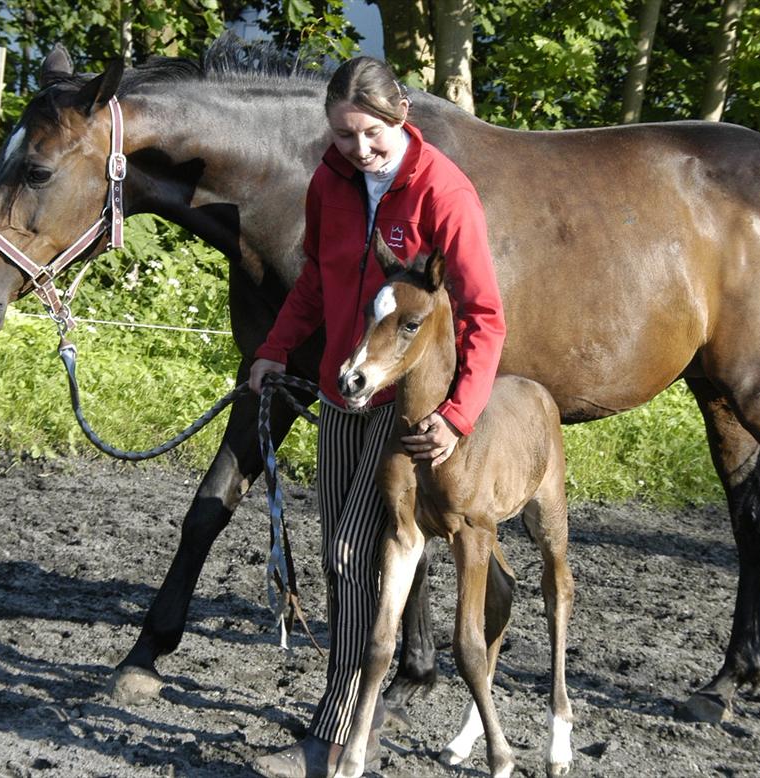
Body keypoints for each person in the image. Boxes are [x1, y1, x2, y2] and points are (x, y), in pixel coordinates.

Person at [250, 56, 506, 778]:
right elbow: (315, 278)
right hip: (340, 392)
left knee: (350, 555)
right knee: (343, 561)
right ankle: (351, 724)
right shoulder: (330, 184)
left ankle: (335, 739)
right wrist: (274, 349)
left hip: (406, 412)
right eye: (341, 135)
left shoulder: (444, 194)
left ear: (401, 117)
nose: (357, 150)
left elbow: (486, 317)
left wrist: (456, 416)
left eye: (369, 135)